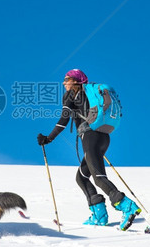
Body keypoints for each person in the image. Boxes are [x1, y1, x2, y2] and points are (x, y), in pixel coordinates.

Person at [37, 69, 141, 230]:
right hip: (104, 137)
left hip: (90, 137)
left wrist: (48, 138)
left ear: (76, 81)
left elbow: (63, 120)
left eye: (67, 79)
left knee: (98, 178)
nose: (64, 83)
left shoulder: (71, 95)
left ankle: (127, 206)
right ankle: (99, 215)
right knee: (82, 177)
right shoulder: (90, 94)